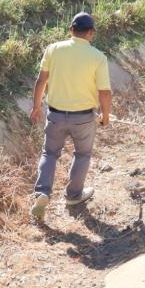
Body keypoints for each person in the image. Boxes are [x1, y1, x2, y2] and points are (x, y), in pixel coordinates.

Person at [28, 12, 112, 222]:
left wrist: (36, 107)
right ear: (91, 33)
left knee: (49, 154)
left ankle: (42, 193)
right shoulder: (98, 57)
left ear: (70, 30)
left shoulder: (53, 49)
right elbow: (105, 92)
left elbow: (41, 80)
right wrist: (105, 114)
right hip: (84, 118)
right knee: (82, 155)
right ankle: (73, 196)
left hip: (55, 114)